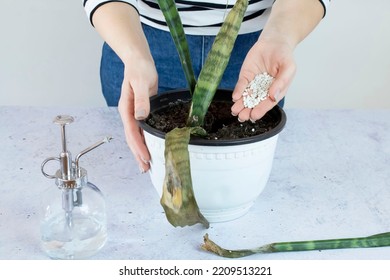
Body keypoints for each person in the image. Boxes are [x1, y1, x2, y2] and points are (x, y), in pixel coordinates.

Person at [83, 0, 330, 173]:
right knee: (141, 177)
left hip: (256, 50)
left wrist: (280, 38)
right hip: (140, 39)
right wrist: (134, 55)